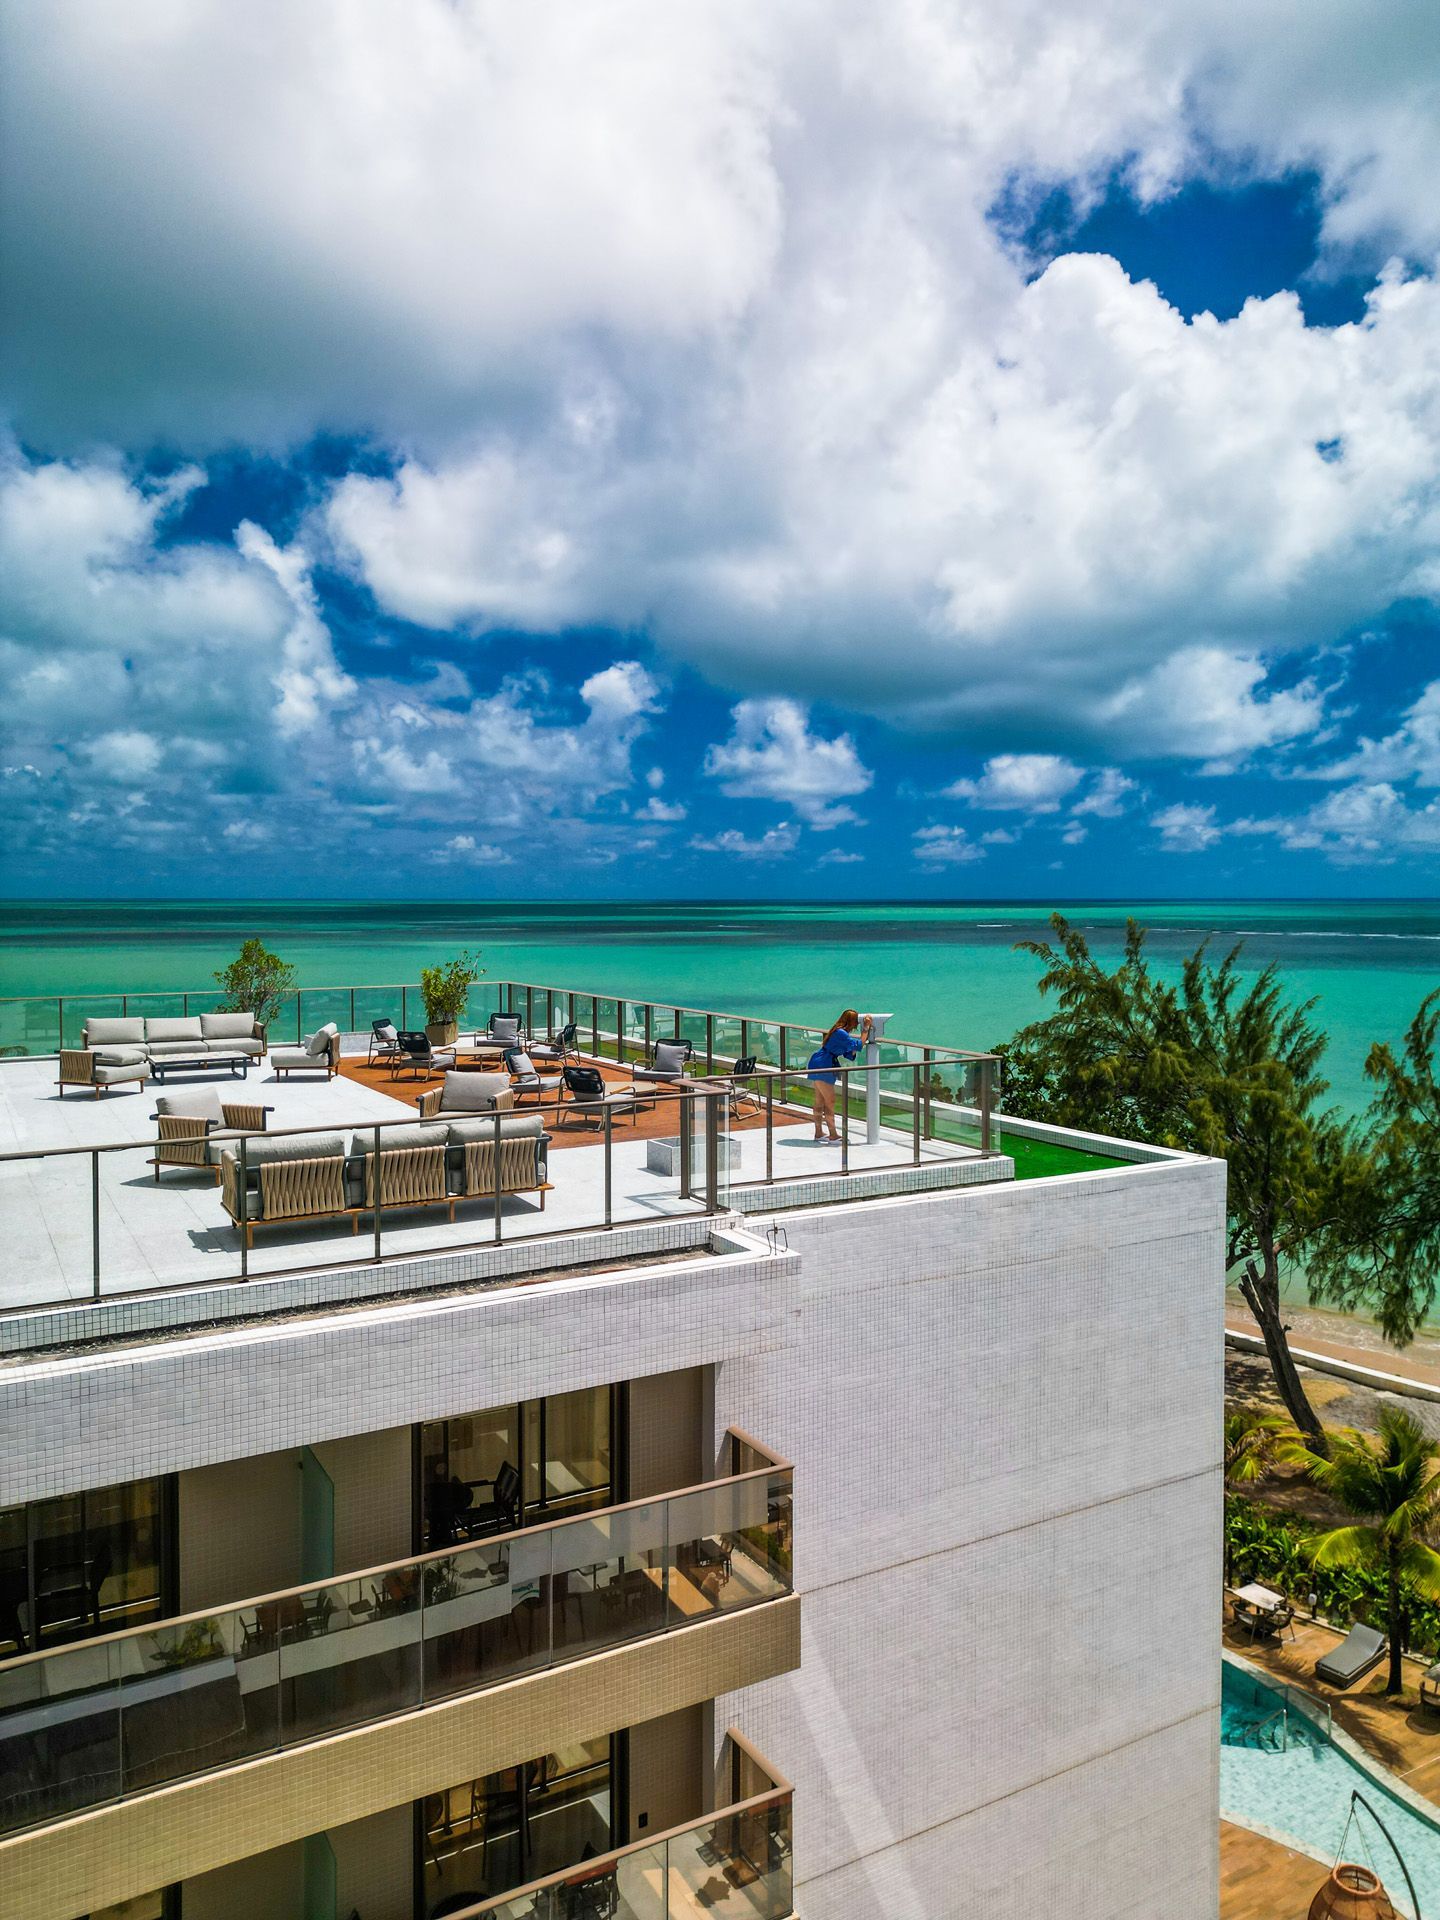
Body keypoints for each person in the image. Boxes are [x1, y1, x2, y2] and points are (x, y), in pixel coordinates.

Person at [806, 1009, 871, 1141]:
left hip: (820, 1061)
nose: (855, 1026)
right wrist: (866, 1028)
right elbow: (858, 1045)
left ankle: (819, 1132)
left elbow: (849, 1051)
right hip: (823, 1064)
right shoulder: (841, 1032)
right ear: (851, 1021)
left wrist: (856, 1046)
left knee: (819, 1101)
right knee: (830, 1101)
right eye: (855, 1022)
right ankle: (833, 1134)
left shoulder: (838, 1031)